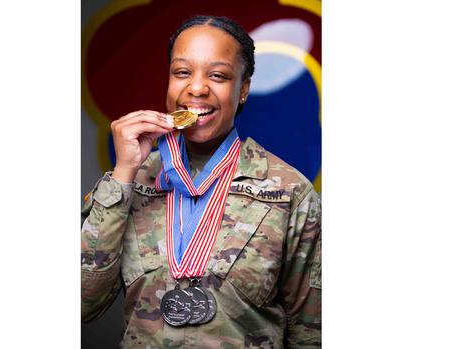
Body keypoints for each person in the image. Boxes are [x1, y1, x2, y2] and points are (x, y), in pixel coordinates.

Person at [81, 15, 321, 348]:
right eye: (182, 72)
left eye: (218, 75)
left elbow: (312, 334)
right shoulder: (129, 182)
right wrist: (124, 173)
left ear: (243, 90)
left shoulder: (290, 192)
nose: (196, 88)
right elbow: (83, 305)